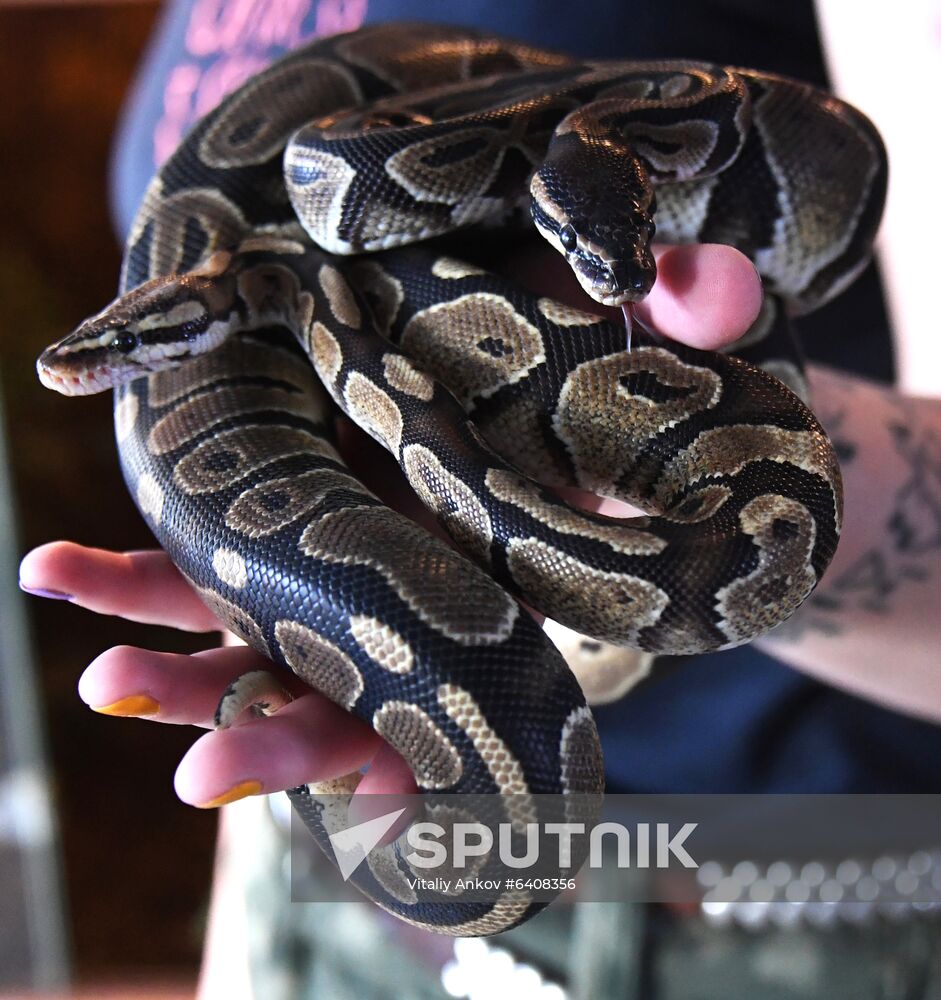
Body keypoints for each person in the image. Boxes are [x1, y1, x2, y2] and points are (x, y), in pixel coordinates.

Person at [19, 0, 941, 996]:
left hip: (808, 921)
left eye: (125, 347)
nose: (100, 370)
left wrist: (661, 490)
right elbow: (277, 683)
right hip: (361, 933)